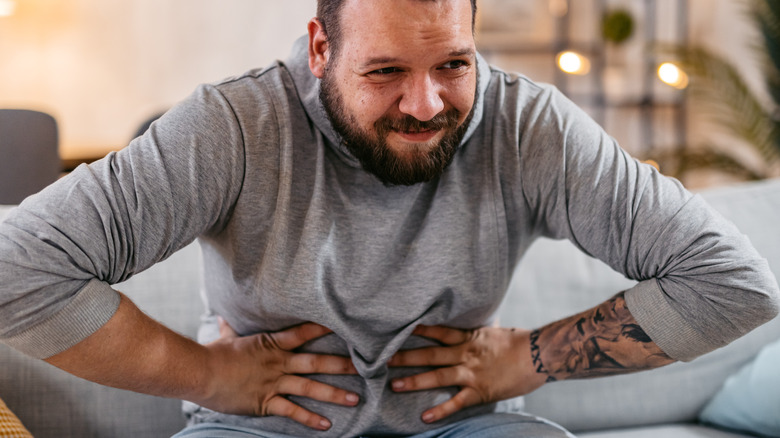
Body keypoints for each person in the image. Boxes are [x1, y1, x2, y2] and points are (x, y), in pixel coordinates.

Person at [0, 0, 778, 437]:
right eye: (386, 72)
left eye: (453, 65)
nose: (426, 104)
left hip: (467, 427)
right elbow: (16, 271)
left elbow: (736, 284)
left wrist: (529, 358)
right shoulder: (231, 127)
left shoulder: (529, 126)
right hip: (262, 430)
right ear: (318, 48)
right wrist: (210, 374)